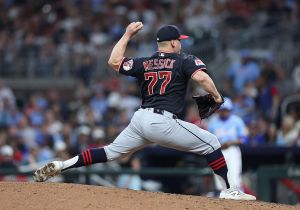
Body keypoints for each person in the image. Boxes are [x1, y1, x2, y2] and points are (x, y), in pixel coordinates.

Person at [33, 22, 255, 200]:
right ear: (173, 43)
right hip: (162, 122)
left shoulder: (145, 62)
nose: (181, 43)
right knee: (213, 143)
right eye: (180, 40)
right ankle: (228, 190)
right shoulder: (184, 60)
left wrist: (127, 34)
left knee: (111, 152)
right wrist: (217, 97)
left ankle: (62, 165)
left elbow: (113, 61)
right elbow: (201, 77)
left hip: (140, 119)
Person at [207, 97, 248, 194]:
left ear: (230, 110)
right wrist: (219, 145)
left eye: (226, 110)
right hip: (218, 151)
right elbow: (208, 139)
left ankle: (237, 200)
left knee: (234, 176)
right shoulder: (213, 122)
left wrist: (231, 142)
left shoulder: (237, 121)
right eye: (222, 110)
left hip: (232, 149)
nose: (224, 112)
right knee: (220, 178)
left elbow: (244, 139)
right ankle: (221, 198)